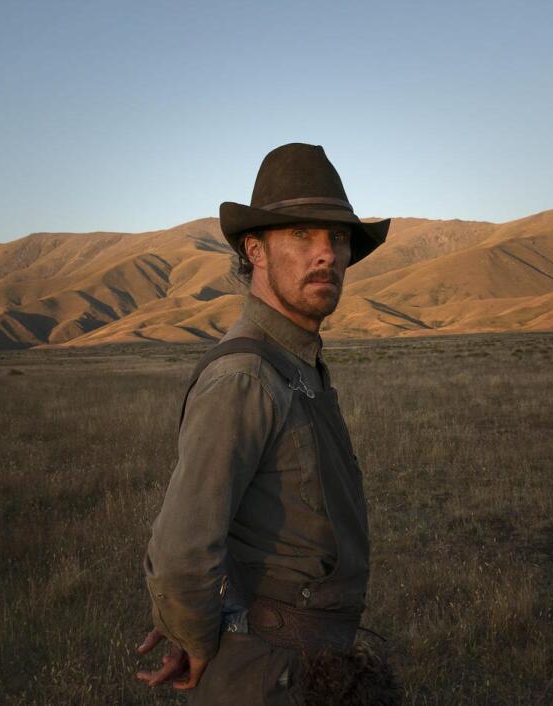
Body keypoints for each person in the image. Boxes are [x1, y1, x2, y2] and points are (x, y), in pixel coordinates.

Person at [135, 143, 396, 705]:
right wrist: (197, 636)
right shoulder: (245, 377)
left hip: (307, 667)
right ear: (254, 249)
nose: (326, 254)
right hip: (265, 679)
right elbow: (182, 553)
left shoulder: (297, 361)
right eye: (302, 235)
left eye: (339, 238)